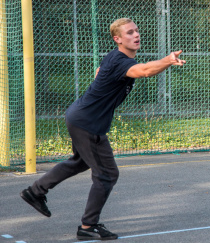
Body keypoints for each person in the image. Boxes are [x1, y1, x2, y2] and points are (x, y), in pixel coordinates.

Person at [20, 18, 186, 240]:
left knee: (80, 161)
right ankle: (88, 227)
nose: (136, 35)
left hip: (80, 116)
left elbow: (100, 71)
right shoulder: (121, 61)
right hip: (88, 122)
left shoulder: (115, 57)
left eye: (136, 31)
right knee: (107, 174)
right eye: (129, 33)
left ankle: (35, 191)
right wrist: (167, 60)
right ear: (117, 39)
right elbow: (145, 70)